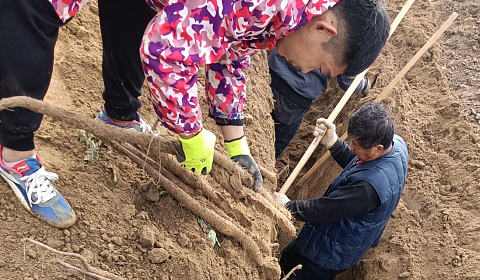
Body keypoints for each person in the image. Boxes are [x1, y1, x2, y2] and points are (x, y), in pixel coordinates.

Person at [0, 0, 390, 229]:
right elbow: (165, 53)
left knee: (137, 6)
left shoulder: (290, 12)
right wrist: (190, 131)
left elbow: (232, 52)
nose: (307, 74)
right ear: (324, 29)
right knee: (31, 15)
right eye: (320, 69)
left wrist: (236, 143)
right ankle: (14, 154)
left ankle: (119, 115)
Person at [274, 102, 407, 280]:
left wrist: (287, 206)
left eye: (356, 147)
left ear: (377, 148)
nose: (352, 148)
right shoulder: (395, 145)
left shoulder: (367, 189)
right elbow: (358, 167)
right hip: (327, 234)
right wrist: (334, 143)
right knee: (288, 257)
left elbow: (326, 209)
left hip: (332, 250)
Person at [269, 48, 370, 159]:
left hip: (272, 71)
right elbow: (347, 81)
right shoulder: (350, 41)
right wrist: (364, 85)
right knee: (274, 145)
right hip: (296, 96)